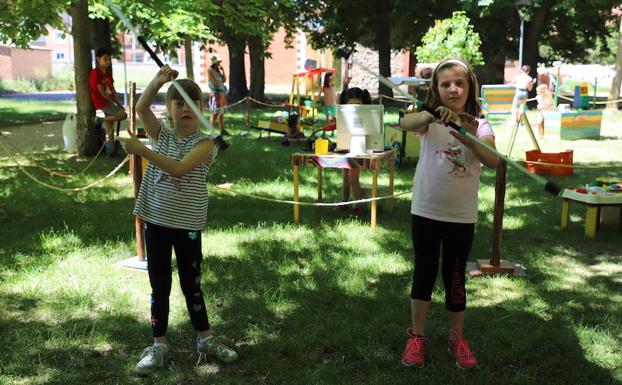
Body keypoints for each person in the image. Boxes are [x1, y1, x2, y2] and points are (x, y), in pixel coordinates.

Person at [119, 65, 238, 374]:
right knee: (159, 287)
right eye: (178, 102)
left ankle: (205, 341)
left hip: (187, 227)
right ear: (169, 110)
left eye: (191, 102)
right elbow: (141, 106)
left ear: (201, 109)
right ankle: (158, 346)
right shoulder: (162, 133)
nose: (185, 108)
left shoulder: (205, 144)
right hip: (155, 222)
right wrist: (158, 81)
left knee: (191, 285)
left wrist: (143, 151)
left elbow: (179, 169)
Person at [399, 58, 499, 369]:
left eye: (459, 83)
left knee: (455, 278)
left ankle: (457, 338)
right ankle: (417, 336)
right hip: (426, 210)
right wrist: (430, 115)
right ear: (436, 90)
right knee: (424, 273)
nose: (453, 89)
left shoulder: (481, 124)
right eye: (445, 84)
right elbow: (404, 123)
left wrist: (466, 134)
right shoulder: (429, 121)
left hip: (460, 216)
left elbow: (493, 160)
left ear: (470, 88)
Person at [336, 87, 372, 216]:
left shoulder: (368, 115)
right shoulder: (343, 114)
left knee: (353, 177)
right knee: (345, 176)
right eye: (350, 105)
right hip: (347, 147)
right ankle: (344, 202)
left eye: (358, 105)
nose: (354, 108)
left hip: (360, 148)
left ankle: (358, 206)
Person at [88, 47, 127, 156]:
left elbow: (111, 89)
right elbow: (102, 92)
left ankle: (111, 150)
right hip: (102, 102)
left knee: (110, 126)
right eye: (105, 59)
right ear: (98, 59)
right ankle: (100, 119)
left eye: (109, 59)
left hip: (109, 100)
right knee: (123, 115)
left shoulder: (108, 72)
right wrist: (113, 102)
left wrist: (118, 103)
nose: (107, 62)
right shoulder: (96, 73)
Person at [207, 54, 228, 136]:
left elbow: (224, 80)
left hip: (222, 93)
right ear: (215, 62)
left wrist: (223, 71)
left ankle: (222, 130)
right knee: (215, 113)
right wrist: (220, 84)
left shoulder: (218, 71)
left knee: (221, 112)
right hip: (216, 94)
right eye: (218, 62)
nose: (220, 63)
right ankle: (212, 131)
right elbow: (215, 83)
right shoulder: (210, 70)